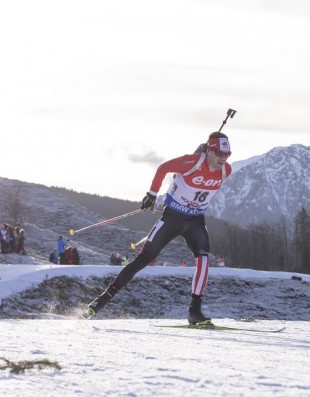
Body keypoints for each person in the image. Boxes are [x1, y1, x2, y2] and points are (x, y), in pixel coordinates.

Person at [85, 131, 233, 326]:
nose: (224, 158)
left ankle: (194, 311)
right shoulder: (192, 161)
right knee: (143, 259)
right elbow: (163, 168)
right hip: (172, 218)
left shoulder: (226, 170)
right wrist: (152, 194)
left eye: (227, 154)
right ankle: (103, 299)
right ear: (210, 151)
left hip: (196, 221)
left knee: (204, 260)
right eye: (220, 154)